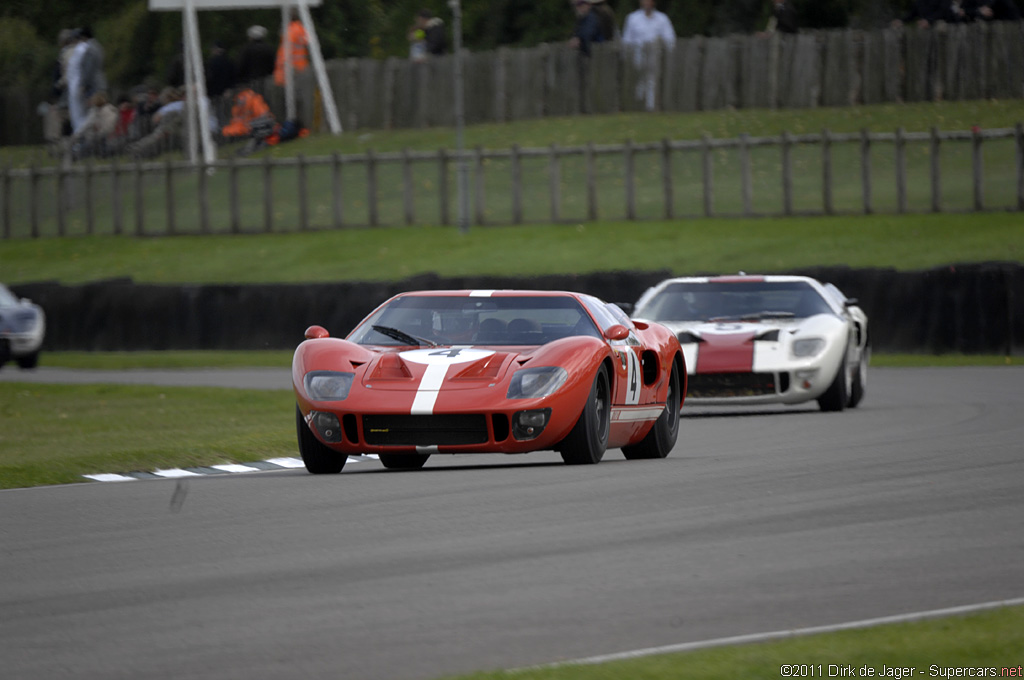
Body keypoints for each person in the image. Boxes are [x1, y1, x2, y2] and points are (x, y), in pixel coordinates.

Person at [622, 0, 676, 111]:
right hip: (637, 58)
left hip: (656, 57)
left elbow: (670, 39)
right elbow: (627, 40)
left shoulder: (662, 19)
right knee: (639, 81)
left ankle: (651, 107)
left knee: (652, 80)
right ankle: (638, 105)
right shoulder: (633, 18)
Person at [570, 0, 605, 114]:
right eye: (577, 5)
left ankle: (595, 109)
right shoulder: (582, 19)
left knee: (594, 85)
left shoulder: (592, 18)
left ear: (588, 5)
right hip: (589, 58)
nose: (579, 7)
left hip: (597, 58)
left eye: (581, 4)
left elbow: (588, 35)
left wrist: (578, 40)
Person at [221, 85, 276, 156]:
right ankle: (252, 147)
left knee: (255, 125)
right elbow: (238, 122)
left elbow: (264, 115)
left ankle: (250, 148)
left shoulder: (252, 98)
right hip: (254, 126)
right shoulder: (236, 107)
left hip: (263, 124)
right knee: (251, 127)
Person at [274, 10, 309, 87]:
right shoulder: (302, 29)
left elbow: (286, 49)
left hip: (291, 67)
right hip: (302, 66)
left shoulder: (290, 30)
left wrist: (281, 66)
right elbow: (307, 42)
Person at [238, 25, 276, 93]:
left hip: (250, 82)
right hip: (267, 81)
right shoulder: (269, 48)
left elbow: (241, 66)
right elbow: (274, 65)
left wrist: (241, 81)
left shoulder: (246, 49)